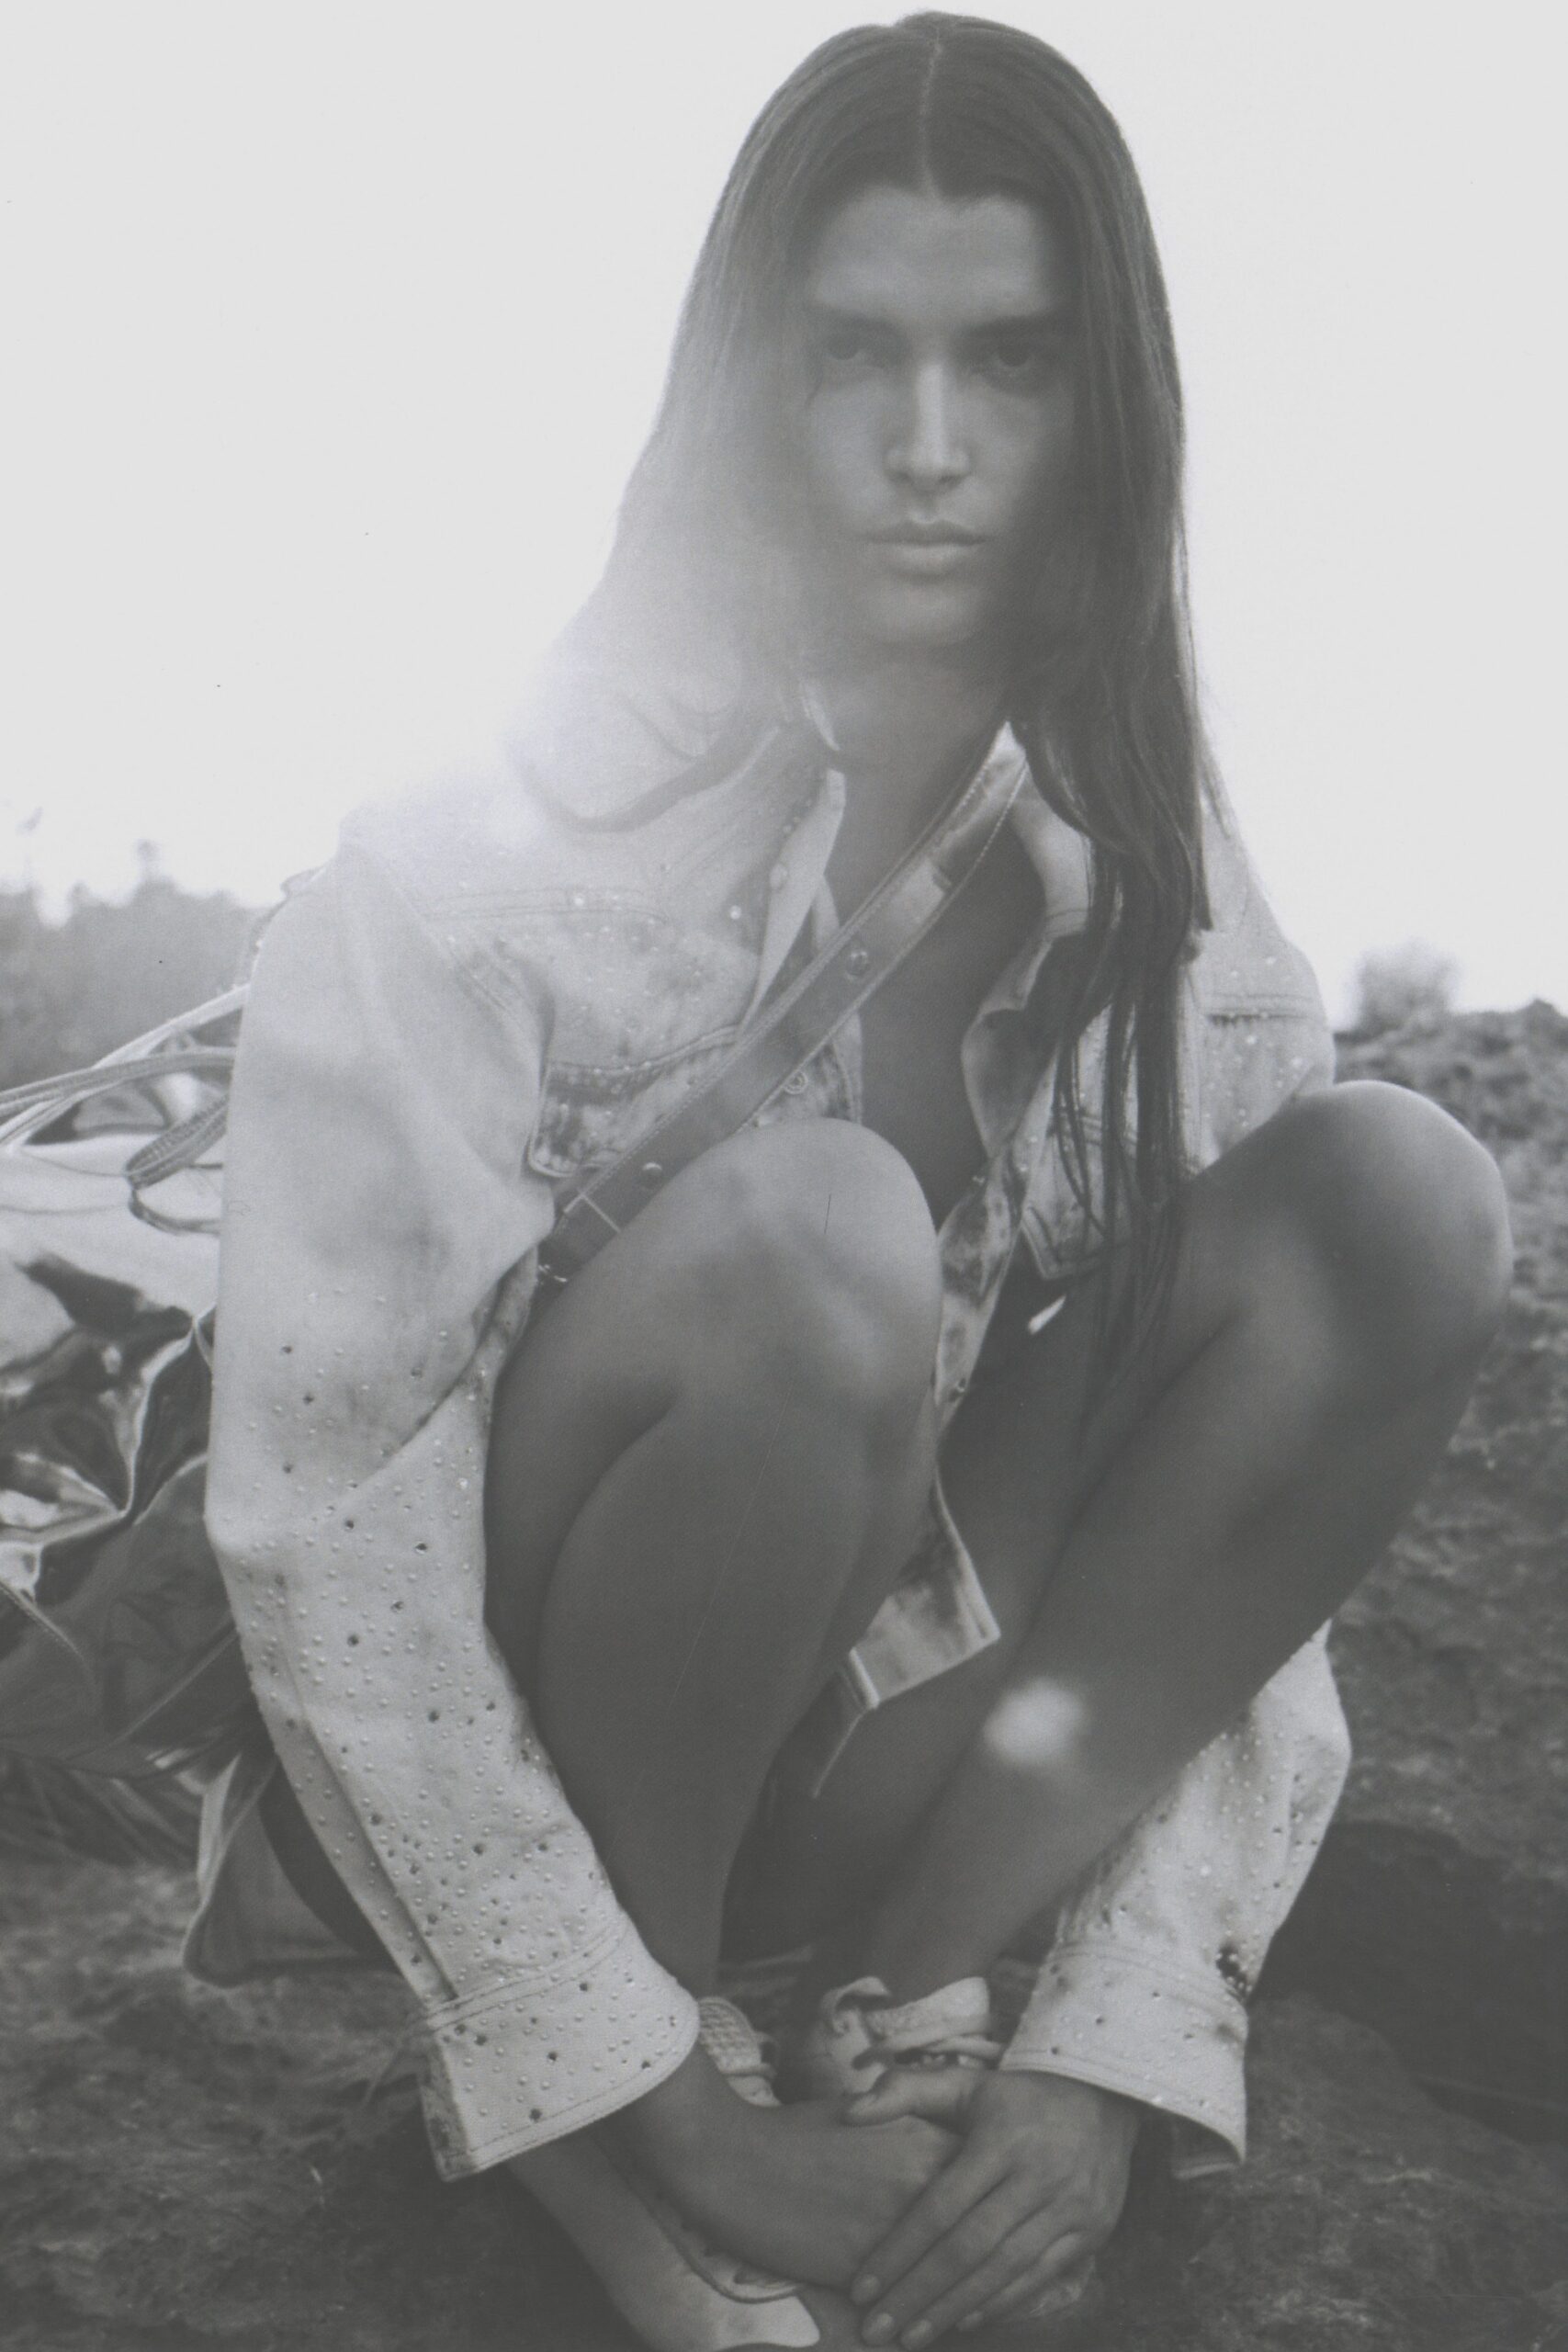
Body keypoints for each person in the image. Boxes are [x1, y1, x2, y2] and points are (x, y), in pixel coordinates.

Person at [186, 15, 1510, 2347]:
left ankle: (897, 2010)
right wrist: (642, 2094)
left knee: (1398, 1199)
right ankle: (652, 2115)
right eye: (852, 360)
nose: (927, 449)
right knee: (820, 1239)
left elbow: (1240, 1563)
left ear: (1106, 399)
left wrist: (1109, 2048)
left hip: (879, 1745)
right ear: (746, 384)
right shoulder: (497, 839)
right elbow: (328, 1537)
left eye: (1008, 361)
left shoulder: (1162, 864)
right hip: (519, 1766)